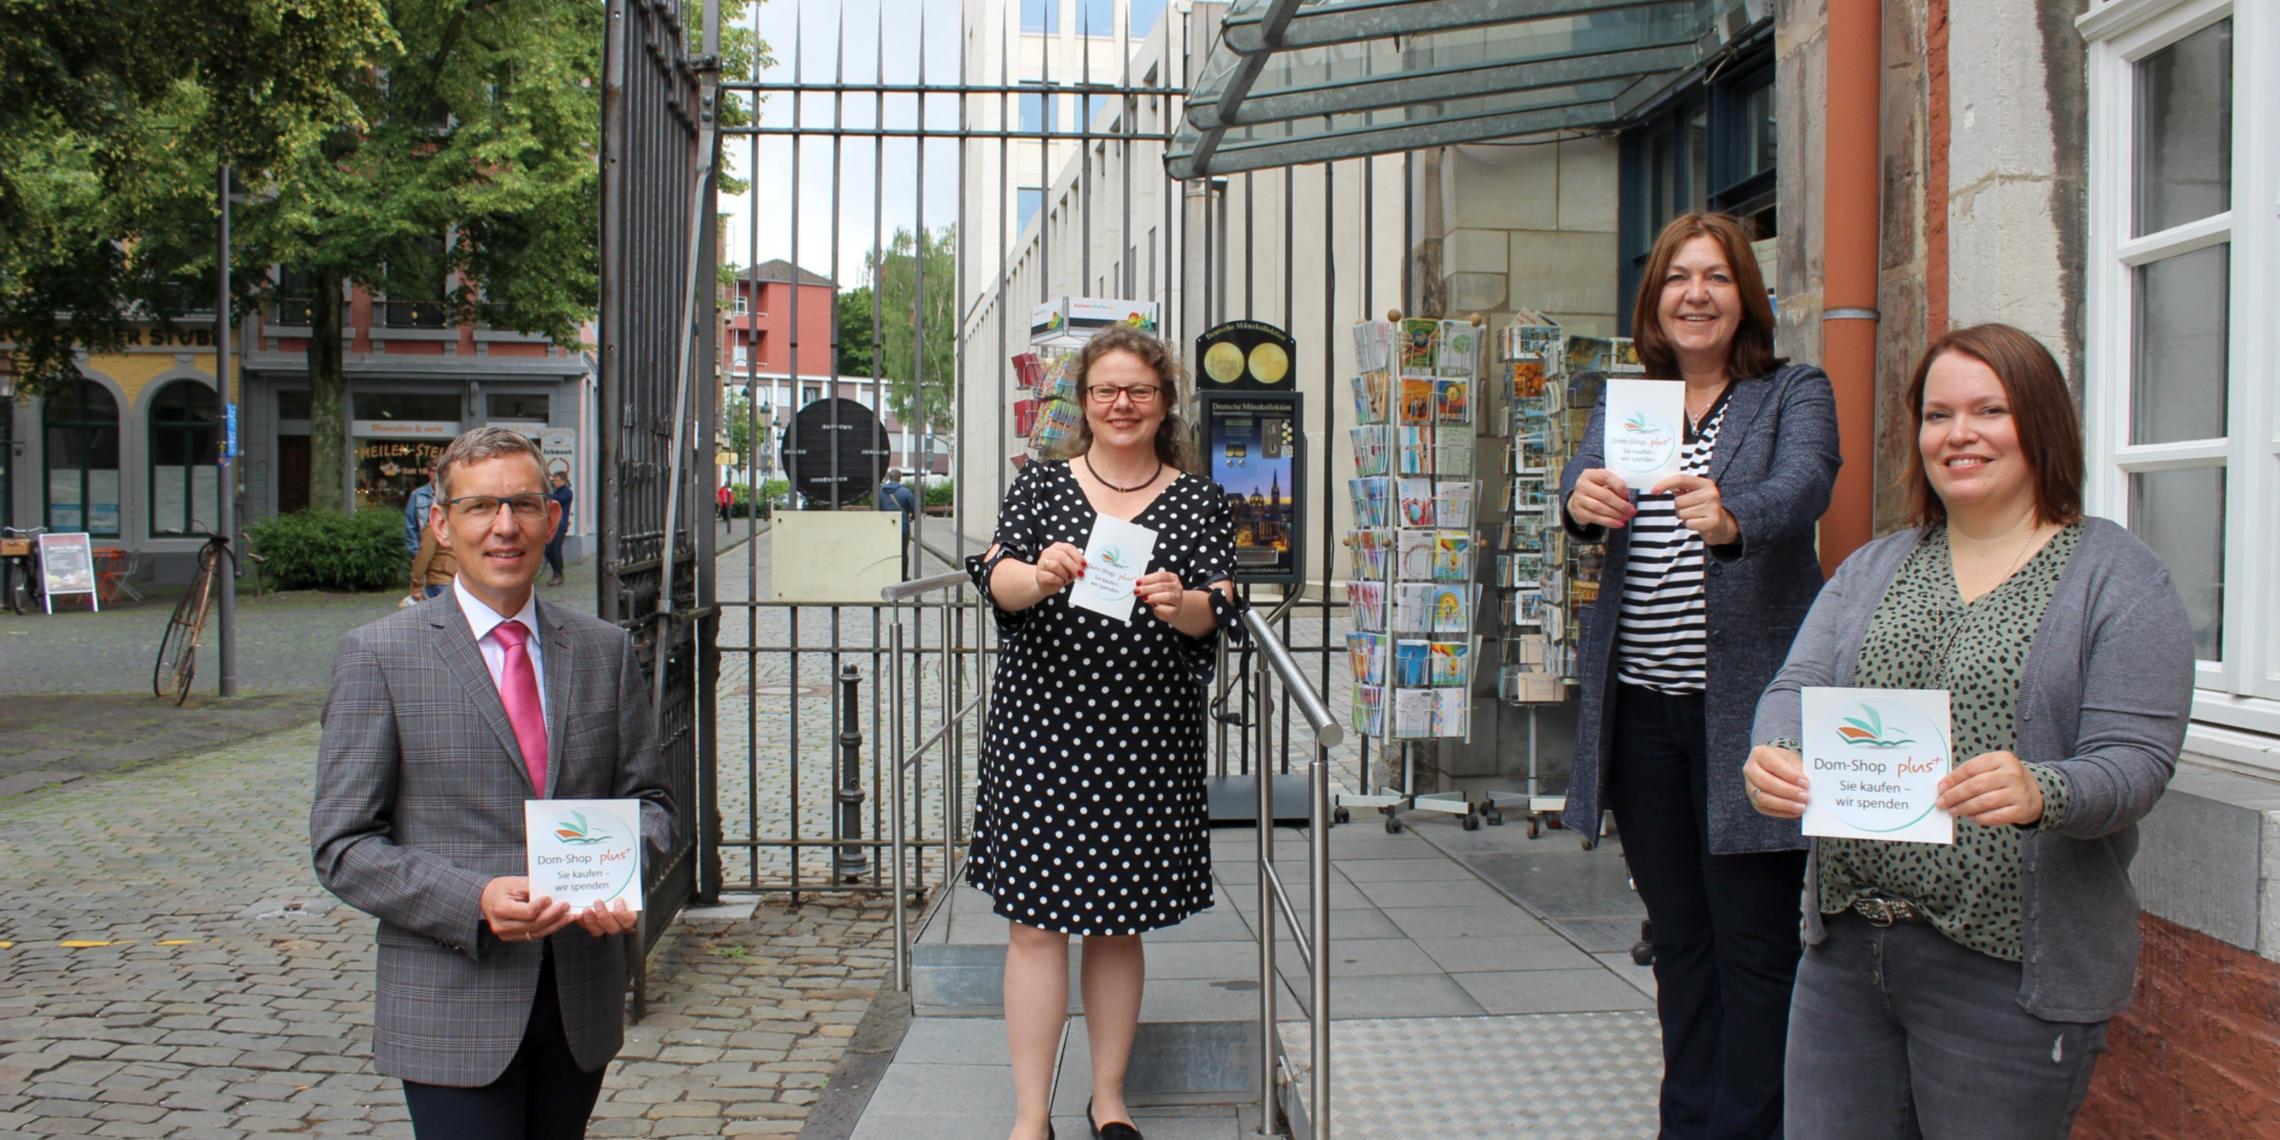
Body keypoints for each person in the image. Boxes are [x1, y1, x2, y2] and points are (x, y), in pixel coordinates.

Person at [1745, 323, 2192, 1137]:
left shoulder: (2117, 577)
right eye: (1939, 414)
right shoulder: (1876, 566)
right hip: (1847, 953)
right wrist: (1774, 751)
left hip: (2009, 973)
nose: (1959, 435)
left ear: (2042, 423)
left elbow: (2137, 763)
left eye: (1990, 410)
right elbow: (1797, 688)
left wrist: (2044, 789)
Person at [1558, 210, 1842, 1138]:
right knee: (1678, 942)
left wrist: (1732, 517)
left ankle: (1750, 1126)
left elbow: (1807, 483)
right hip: (1642, 712)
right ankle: (1687, 1123)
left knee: (1756, 947)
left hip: (1749, 714)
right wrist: (1580, 502)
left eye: (1717, 276)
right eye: (1679, 276)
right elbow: (1581, 486)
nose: (1696, 293)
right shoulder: (1628, 401)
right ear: (1656, 299)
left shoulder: (1792, 390)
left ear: (1743, 296)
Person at [312, 426, 678, 1139]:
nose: (504, 526)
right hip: (454, 998)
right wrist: (473, 899)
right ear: (442, 525)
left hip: (578, 1001)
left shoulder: (601, 650)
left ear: (554, 517)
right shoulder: (379, 656)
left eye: (523, 504)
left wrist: (620, 874)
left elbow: (653, 804)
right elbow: (344, 846)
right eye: (481, 507)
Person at [965, 326, 1239, 1140]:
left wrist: (1177, 601)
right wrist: (1040, 574)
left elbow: (1220, 603)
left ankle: (1109, 1099)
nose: (1122, 404)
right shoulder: (1043, 486)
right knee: (1035, 925)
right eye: (1105, 391)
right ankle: (1029, 1114)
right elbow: (997, 579)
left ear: (1164, 404)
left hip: (1146, 740)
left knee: (1120, 923)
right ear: (1082, 404)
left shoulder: (1199, 499)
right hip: (1043, 731)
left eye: (1139, 391)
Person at [404, 465, 439, 561]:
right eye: (434, 471)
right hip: (423, 548)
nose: (436, 475)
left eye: (439, 471)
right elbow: (410, 525)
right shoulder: (417, 494)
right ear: (429, 472)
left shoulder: (449, 494)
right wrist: (415, 552)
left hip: (445, 553)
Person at [545, 471, 573, 588]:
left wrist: (545, 493)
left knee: (555, 550)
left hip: (560, 525)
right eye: (554, 480)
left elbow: (556, 500)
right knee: (548, 550)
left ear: (563, 480)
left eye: (556, 480)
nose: (554, 483)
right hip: (552, 524)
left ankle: (559, 574)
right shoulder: (556, 491)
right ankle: (556, 572)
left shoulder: (566, 492)